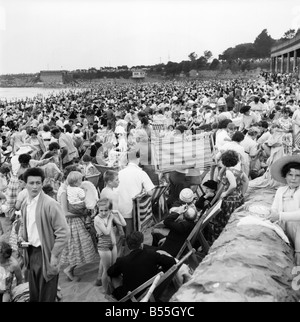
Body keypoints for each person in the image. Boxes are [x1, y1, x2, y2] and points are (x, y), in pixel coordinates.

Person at [19, 167, 70, 302]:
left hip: (45, 254)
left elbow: (63, 232)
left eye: (38, 183)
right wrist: (21, 237)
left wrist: (54, 254)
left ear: (42, 183)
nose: (35, 186)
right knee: (34, 293)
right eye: (31, 183)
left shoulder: (50, 204)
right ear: (25, 184)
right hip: (31, 253)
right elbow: (25, 226)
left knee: (47, 295)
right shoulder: (26, 204)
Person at [107, 231, 176, 301]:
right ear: (141, 244)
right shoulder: (151, 254)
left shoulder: (122, 261)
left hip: (132, 297)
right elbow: (172, 262)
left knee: (113, 277)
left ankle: (113, 295)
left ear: (128, 246)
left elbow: (109, 272)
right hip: (152, 290)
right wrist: (159, 268)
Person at [58, 166, 98, 282]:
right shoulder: (64, 191)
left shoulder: (68, 188)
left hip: (75, 221)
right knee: (76, 247)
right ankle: (69, 269)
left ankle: (70, 269)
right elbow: (65, 212)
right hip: (72, 223)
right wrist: (83, 214)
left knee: (76, 247)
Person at [269, 155, 300, 266]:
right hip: (286, 230)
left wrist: (279, 215)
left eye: (297, 176)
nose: (293, 178)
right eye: (290, 175)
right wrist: (272, 213)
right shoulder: (281, 191)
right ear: (285, 176)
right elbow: (274, 208)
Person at [117, 147, 155, 236]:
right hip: (132, 210)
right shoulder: (141, 173)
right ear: (139, 159)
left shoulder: (120, 172)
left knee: (122, 235)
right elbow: (150, 192)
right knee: (131, 237)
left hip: (119, 208)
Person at [94, 198, 126, 292]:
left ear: (109, 209)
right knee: (106, 270)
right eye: (101, 210)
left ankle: (112, 288)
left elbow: (123, 223)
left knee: (113, 267)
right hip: (104, 247)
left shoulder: (110, 215)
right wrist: (111, 218)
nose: (103, 213)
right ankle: (105, 290)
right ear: (98, 209)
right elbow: (106, 231)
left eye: (106, 210)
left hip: (113, 244)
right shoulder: (97, 218)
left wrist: (117, 213)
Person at [216, 150, 249, 237]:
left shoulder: (228, 172)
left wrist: (226, 193)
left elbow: (233, 185)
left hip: (230, 199)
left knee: (227, 218)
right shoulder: (238, 171)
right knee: (236, 217)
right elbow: (246, 181)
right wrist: (242, 193)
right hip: (238, 197)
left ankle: (226, 235)